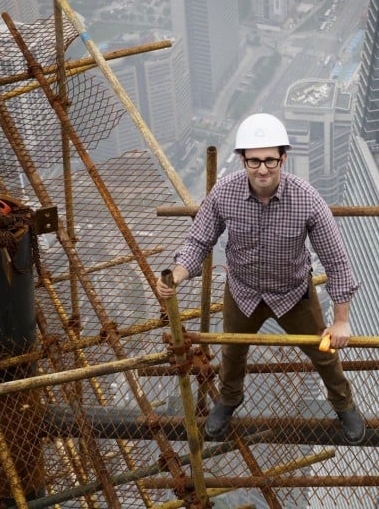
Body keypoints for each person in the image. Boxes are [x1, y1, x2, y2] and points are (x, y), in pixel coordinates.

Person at [155, 112, 367, 443]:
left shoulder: (306, 199)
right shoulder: (225, 192)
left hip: (293, 293)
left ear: (283, 159)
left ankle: (344, 404)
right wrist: (178, 274)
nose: (263, 168)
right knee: (232, 353)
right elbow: (200, 239)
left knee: (323, 352)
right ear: (243, 161)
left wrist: (341, 321)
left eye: (270, 160)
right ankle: (228, 400)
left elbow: (336, 261)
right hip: (243, 292)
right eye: (254, 161)